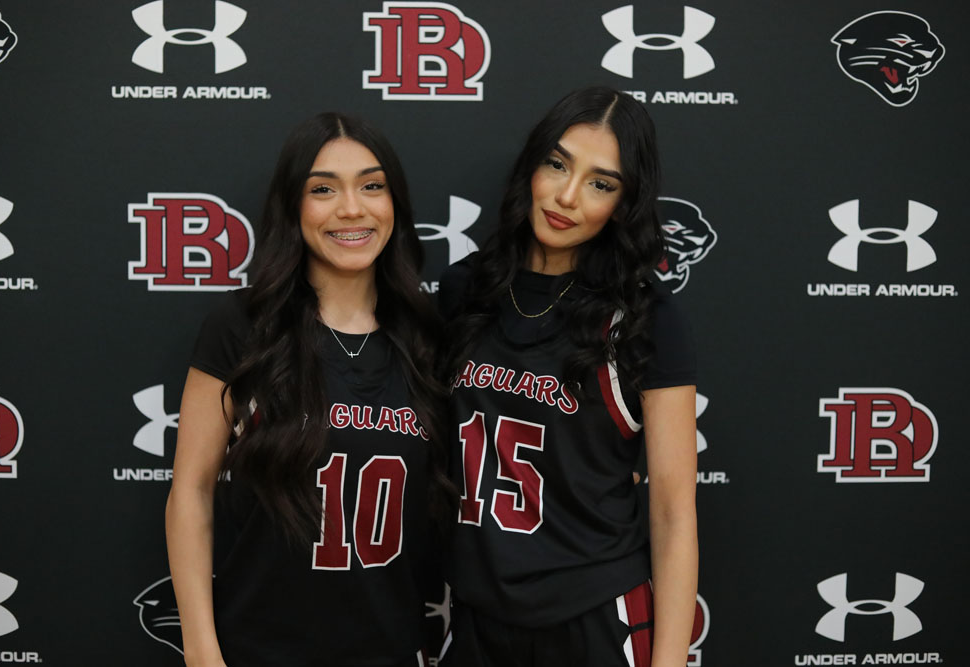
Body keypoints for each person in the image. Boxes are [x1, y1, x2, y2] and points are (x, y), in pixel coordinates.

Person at [165, 112, 454, 667]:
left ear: (395, 204)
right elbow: (191, 491)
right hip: (259, 649)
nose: (352, 208)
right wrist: (201, 650)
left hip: (391, 650)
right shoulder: (243, 325)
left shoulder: (427, 336)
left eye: (372, 186)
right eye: (323, 189)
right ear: (293, 207)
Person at [439, 87, 699, 667]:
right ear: (531, 165)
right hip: (480, 614)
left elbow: (674, 512)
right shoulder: (464, 290)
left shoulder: (644, 316)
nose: (567, 196)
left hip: (595, 616)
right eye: (557, 164)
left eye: (601, 183)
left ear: (624, 202)